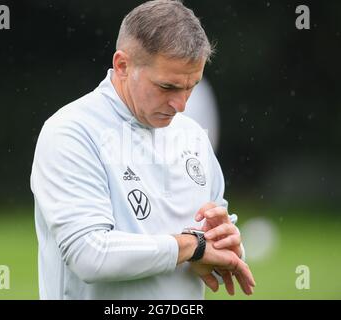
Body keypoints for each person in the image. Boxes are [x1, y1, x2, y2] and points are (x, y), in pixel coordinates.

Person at [30, 0, 255, 300]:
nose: (182, 105)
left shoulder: (193, 136)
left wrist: (228, 247)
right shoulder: (71, 131)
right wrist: (191, 246)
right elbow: (90, 255)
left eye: (192, 86)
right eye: (168, 87)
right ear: (123, 66)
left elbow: (208, 246)